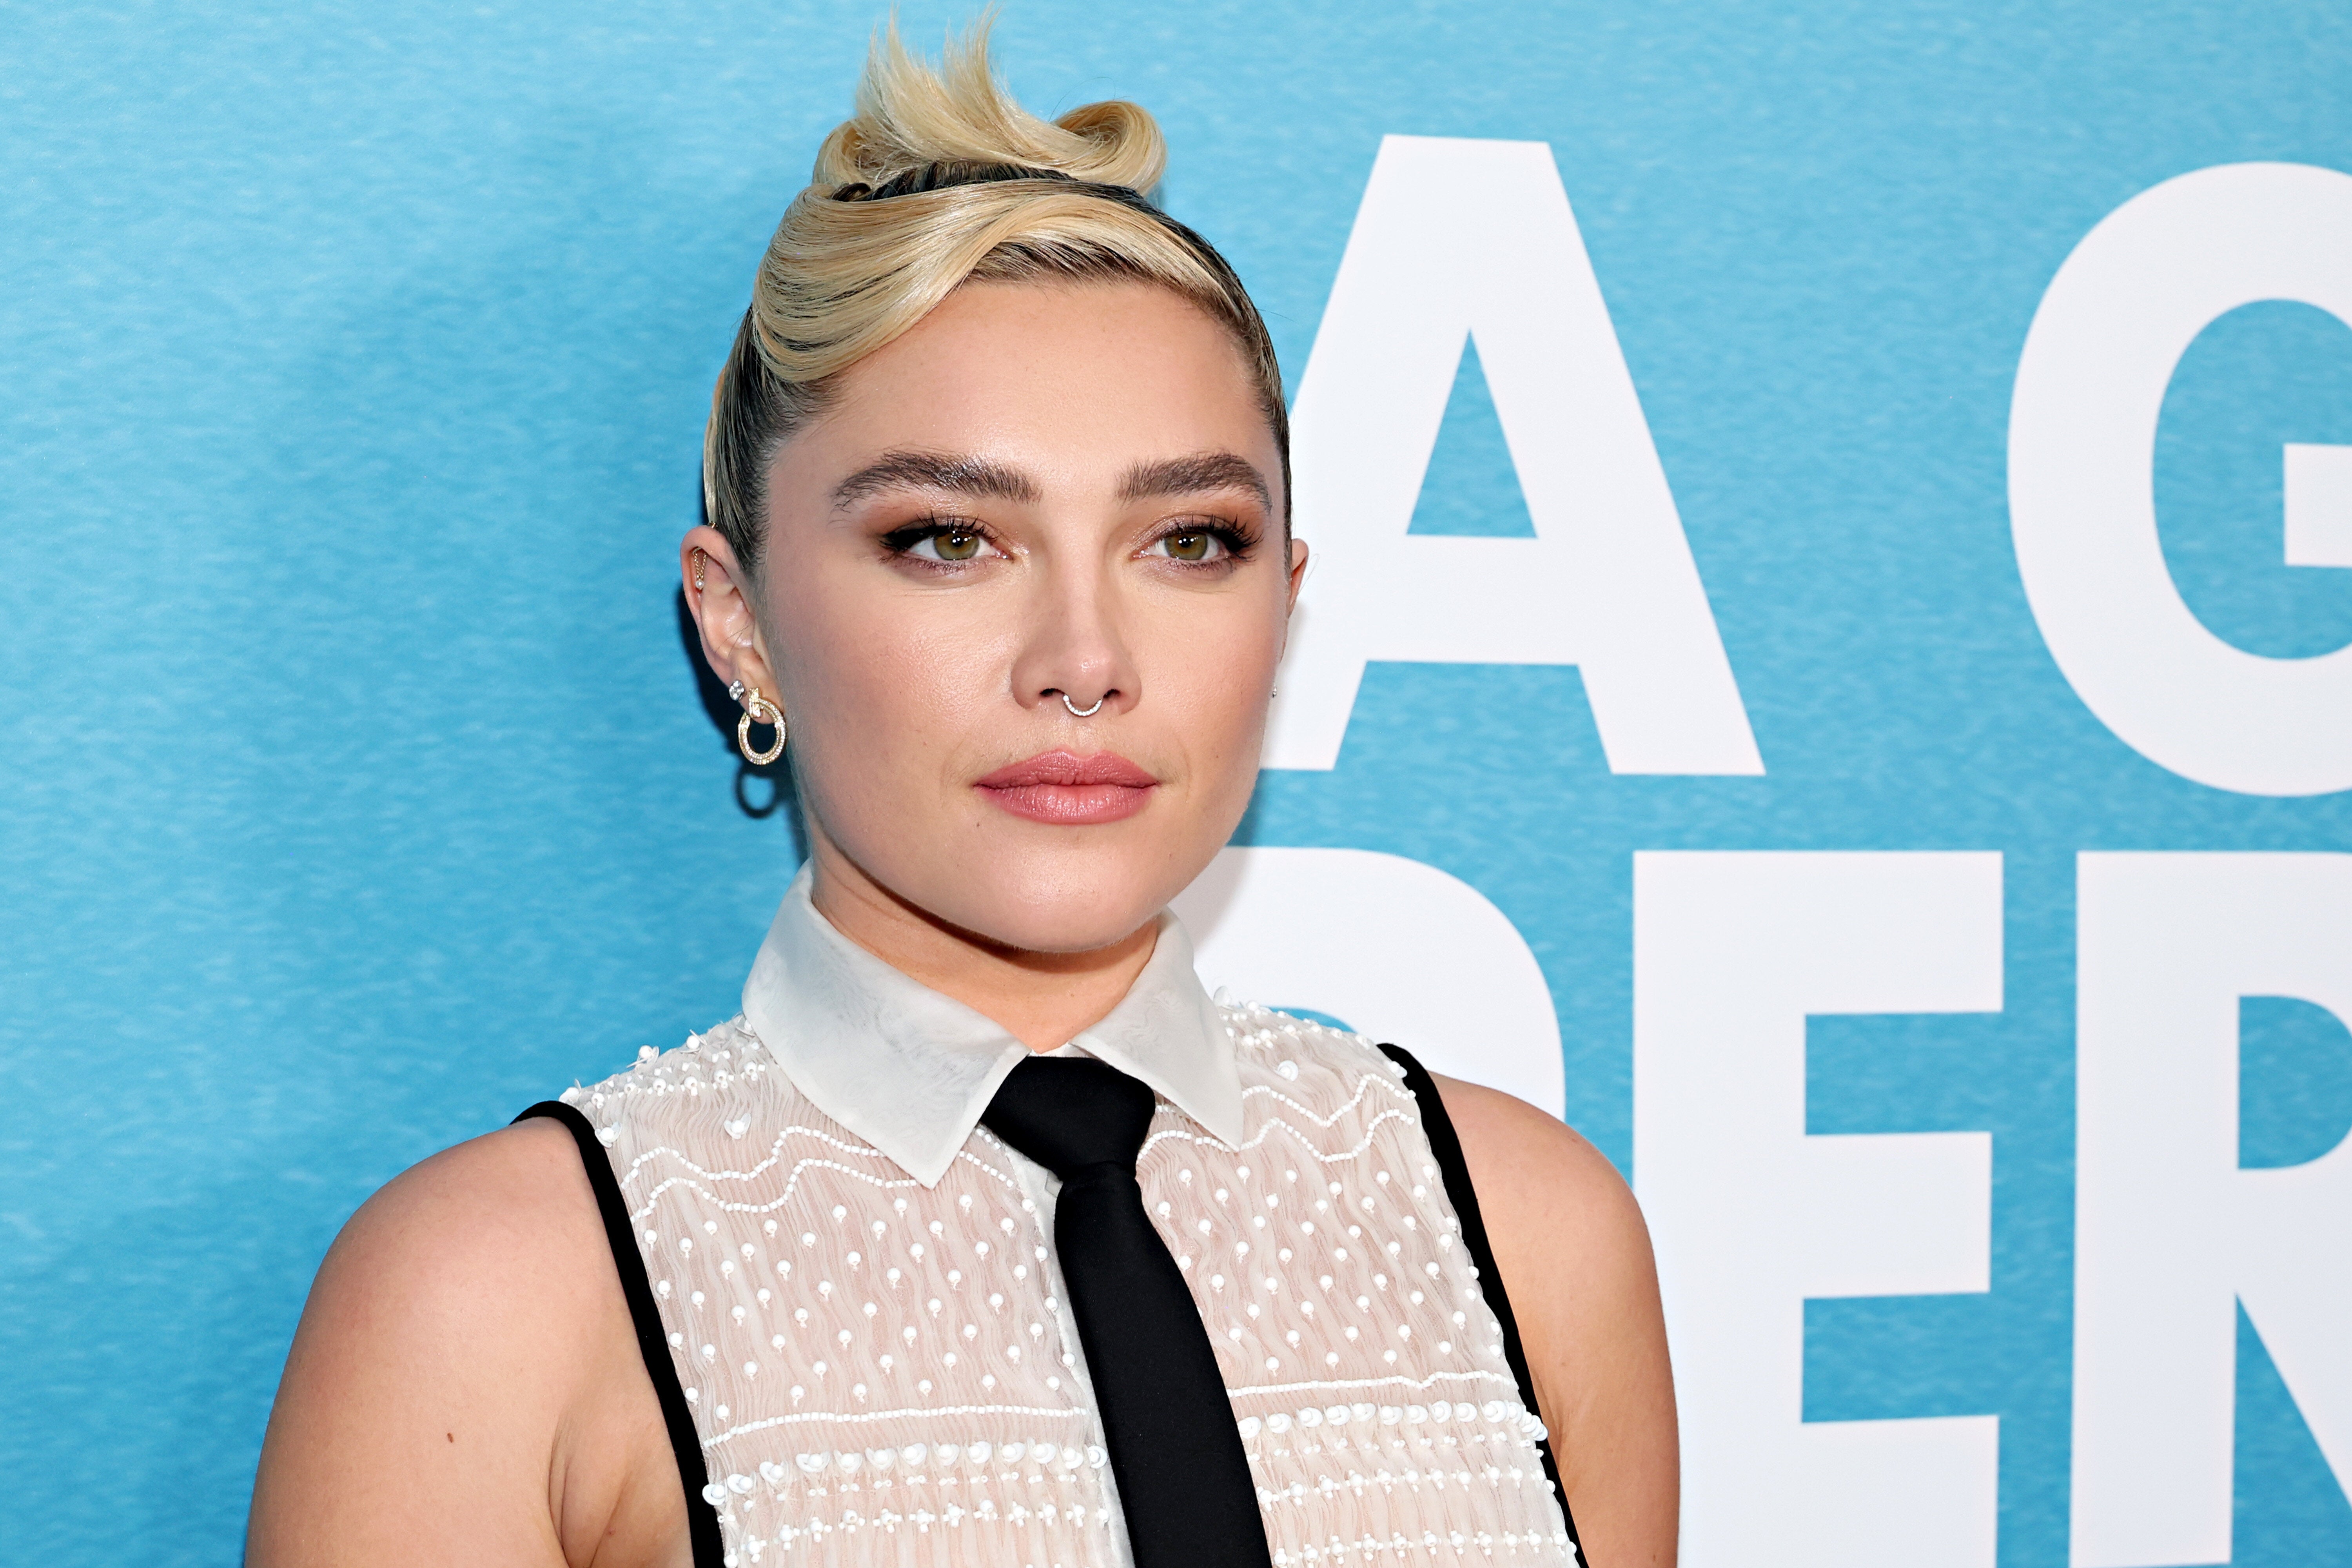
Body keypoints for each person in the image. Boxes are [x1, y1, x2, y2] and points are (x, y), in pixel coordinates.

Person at [247, 24, 1677, 1568]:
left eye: (1189, 541)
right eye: (947, 539)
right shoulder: (498, 1303)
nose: (1085, 661)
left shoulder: (1525, 1233)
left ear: (1285, 601)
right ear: (738, 622)